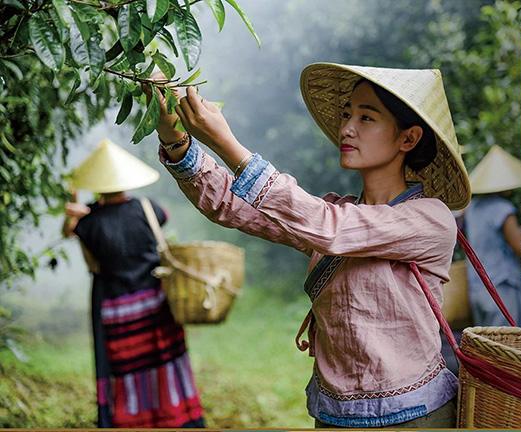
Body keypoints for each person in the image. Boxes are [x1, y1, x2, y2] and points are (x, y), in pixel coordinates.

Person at [143, 63, 471, 428]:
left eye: (366, 117)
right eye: (348, 113)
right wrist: (176, 139)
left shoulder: (429, 218)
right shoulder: (334, 212)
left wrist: (226, 143)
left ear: (408, 139)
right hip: (333, 415)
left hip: (415, 416)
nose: (347, 127)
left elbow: (330, 227)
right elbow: (231, 205)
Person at [62, 139, 205, 428]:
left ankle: (132, 420)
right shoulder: (149, 208)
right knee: (166, 361)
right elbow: (165, 215)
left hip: (117, 311)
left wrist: (77, 206)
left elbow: (69, 231)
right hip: (155, 303)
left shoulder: (89, 223)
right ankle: (177, 417)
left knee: (127, 370)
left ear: (97, 185)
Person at [464, 145, 521, 327]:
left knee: (488, 346)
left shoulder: (472, 207)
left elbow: (492, 236)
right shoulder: (503, 208)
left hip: (478, 287)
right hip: (501, 286)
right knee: (509, 345)